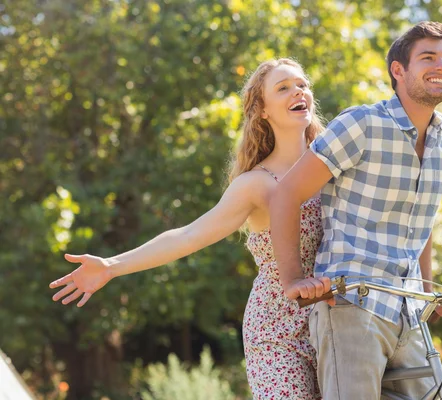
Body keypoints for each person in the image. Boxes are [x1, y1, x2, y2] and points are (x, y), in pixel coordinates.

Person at [49, 58, 328, 400]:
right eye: (283, 87)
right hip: (276, 331)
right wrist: (112, 266)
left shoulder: (335, 169)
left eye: (302, 84)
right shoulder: (256, 185)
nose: (298, 91)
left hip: (335, 322)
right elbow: (189, 235)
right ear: (263, 110)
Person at [270, 22, 442, 399]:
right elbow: (285, 194)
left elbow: (420, 219)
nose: (441, 66)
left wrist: (429, 292)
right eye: (428, 58)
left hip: (408, 314)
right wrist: (293, 280)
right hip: (350, 305)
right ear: (398, 70)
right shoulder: (362, 124)